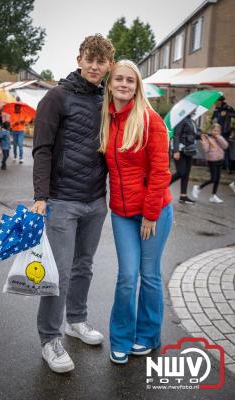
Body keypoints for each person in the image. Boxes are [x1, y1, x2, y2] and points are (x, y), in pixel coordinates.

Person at [31, 34, 115, 373]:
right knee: (59, 273)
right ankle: (50, 339)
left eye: (101, 61)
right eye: (89, 59)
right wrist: (40, 196)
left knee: (84, 266)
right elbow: (42, 149)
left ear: (109, 64)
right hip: (62, 201)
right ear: (79, 58)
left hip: (96, 201)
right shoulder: (56, 97)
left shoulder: (107, 100)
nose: (95, 66)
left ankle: (75, 321)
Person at [99, 60, 173, 364]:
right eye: (119, 79)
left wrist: (151, 214)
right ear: (111, 83)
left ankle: (148, 336)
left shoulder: (150, 120)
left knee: (150, 275)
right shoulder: (107, 119)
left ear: (137, 86)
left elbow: (160, 172)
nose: (124, 84)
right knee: (127, 276)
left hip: (152, 213)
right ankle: (121, 338)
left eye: (130, 80)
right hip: (121, 213)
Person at [192, 124, 228, 204]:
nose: (216, 132)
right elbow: (206, 150)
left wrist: (219, 137)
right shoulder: (207, 138)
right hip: (212, 160)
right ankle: (198, 187)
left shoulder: (219, 138)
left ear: (220, 132)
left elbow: (225, 146)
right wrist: (204, 142)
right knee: (213, 178)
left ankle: (213, 196)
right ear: (211, 130)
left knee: (217, 179)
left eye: (218, 131)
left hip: (220, 159)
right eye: (214, 130)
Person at [170, 112, 200, 204]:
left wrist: (200, 135)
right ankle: (161, 186)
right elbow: (176, 135)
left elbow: (192, 135)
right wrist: (176, 151)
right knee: (181, 172)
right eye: (193, 108)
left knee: (186, 173)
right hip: (180, 150)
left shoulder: (191, 120)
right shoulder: (180, 119)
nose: (195, 110)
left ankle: (183, 196)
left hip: (189, 150)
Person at [212, 95, 235, 173]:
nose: (215, 103)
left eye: (216, 101)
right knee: (215, 149)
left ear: (220, 101)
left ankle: (228, 167)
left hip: (225, 132)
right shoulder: (216, 110)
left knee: (225, 149)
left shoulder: (228, 108)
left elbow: (234, 116)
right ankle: (217, 166)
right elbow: (213, 119)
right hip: (216, 132)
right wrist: (214, 121)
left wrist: (227, 114)